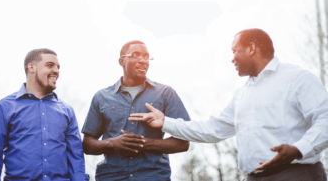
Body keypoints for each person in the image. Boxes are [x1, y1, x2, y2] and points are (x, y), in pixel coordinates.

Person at [129, 29, 328, 181]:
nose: (232, 59)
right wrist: (166, 122)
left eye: (235, 51)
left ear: (251, 48)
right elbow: (213, 129)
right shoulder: (243, 94)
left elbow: (325, 120)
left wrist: (298, 149)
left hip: (297, 174)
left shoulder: (297, 78)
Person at [81, 40, 191, 181]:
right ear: (121, 61)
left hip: (153, 176)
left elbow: (183, 143)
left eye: (146, 56)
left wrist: (144, 144)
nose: (143, 60)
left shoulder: (165, 93)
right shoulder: (101, 97)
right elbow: (88, 145)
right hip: (111, 176)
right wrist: (112, 143)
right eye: (136, 55)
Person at [0, 48, 89, 180]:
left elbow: (76, 156)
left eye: (58, 67)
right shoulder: (4, 107)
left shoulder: (67, 111)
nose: (56, 71)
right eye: (50, 65)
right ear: (31, 67)